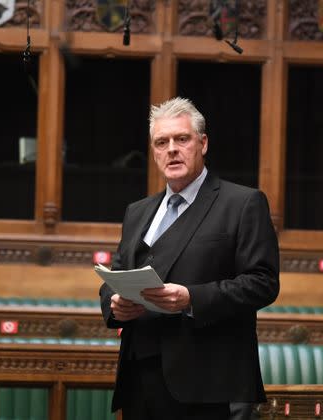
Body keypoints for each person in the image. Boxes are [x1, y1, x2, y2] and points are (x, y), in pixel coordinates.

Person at [99, 97, 280, 420]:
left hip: (207, 385)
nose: (172, 149)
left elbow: (263, 283)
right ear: (154, 152)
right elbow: (115, 275)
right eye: (161, 142)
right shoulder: (137, 211)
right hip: (138, 380)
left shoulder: (243, 203)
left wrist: (190, 298)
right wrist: (114, 304)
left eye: (181, 139)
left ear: (203, 143)